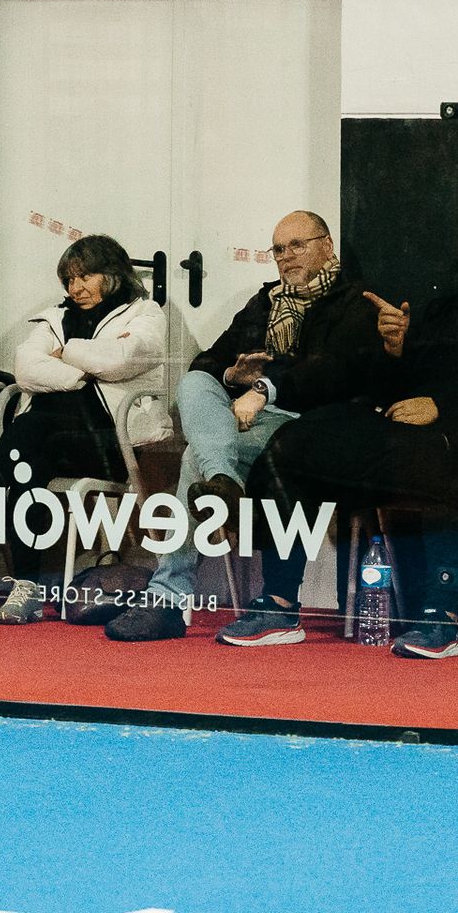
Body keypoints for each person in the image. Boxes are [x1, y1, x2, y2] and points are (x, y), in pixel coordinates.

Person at [214, 210, 458, 655]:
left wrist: (442, 406)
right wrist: (394, 349)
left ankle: (441, 616)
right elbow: (393, 381)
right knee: (292, 445)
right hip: (402, 428)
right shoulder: (445, 307)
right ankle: (280, 604)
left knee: (440, 459)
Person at [103, 209, 377, 642]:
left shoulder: (355, 301)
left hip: (309, 422)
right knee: (195, 382)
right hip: (245, 418)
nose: (287, 257)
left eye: (298, 246)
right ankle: (223, 480)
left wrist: (265, 387)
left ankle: (169, 598)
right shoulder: (265, 302)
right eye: (279, 250)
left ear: (327, 246)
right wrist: (233, 376)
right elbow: (208, 360)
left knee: (197, 455)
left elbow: (333, 373)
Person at [0, 235, 170, 626]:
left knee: (31, 432)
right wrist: (85, 373)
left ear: (114, 274)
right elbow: (25, 367)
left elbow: (122, 357)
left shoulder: (146, 313)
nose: (75, 288)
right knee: (28, 460)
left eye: (85, 276)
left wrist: (65, 353)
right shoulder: (56, 316)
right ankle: (27, 588)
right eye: (69, 280)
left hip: (112, 441)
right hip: (56, 441)